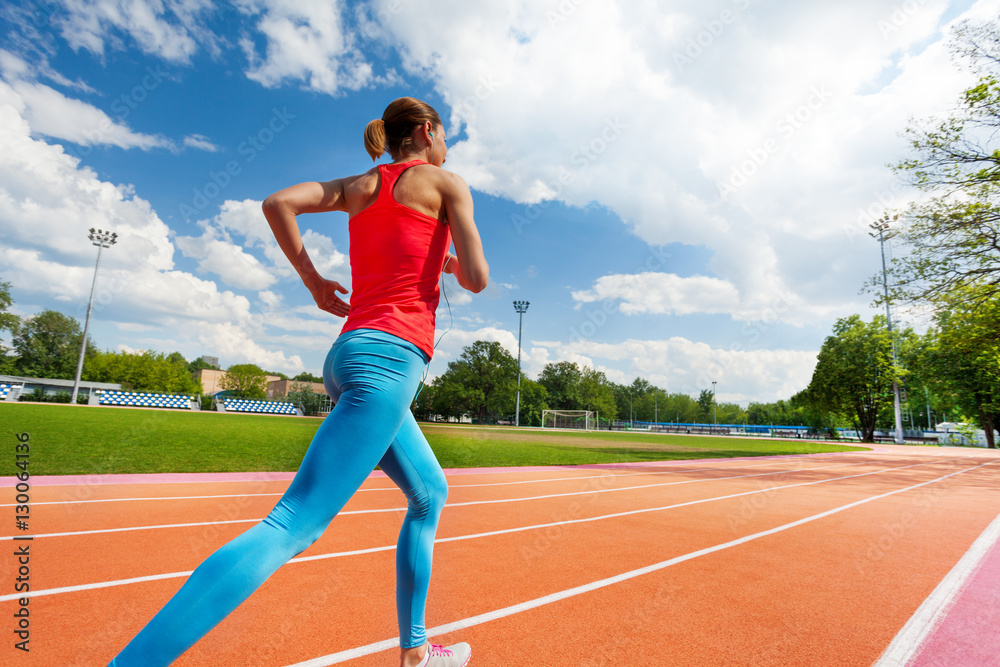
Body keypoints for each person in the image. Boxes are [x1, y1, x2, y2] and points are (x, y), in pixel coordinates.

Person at [109, 97, 488, 667]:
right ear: (428, 132)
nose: (445, 147)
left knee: (430, 493)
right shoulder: (447, 183)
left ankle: (416, 653)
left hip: (348, 355)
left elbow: (277, 202)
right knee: (291, 525)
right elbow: (480, 280)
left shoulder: (358, 186)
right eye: (444, 137)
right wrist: (454, 263)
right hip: (389, 361)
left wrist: (314, 283)